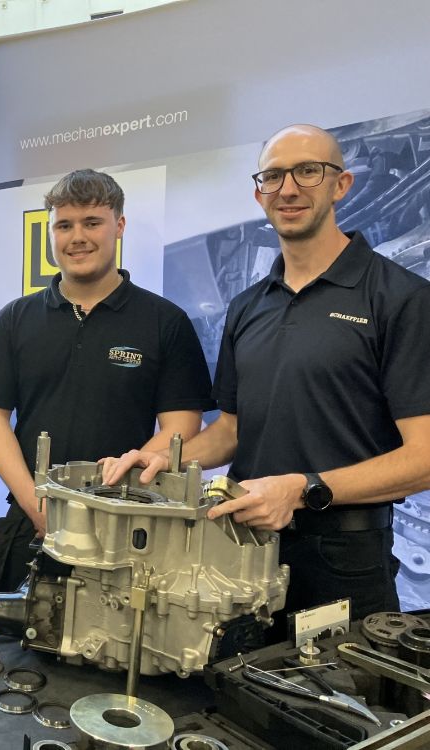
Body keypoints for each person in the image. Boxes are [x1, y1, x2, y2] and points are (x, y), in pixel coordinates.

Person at [103, 124, 430, 634]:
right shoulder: (247, 306)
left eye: (308, 171)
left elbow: (424, 458)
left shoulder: (399, 297)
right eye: (273, 176)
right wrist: (167, 456)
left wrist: (304, 489)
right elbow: (232, 430)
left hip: (345, 559)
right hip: (242, 552)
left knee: (338, 709)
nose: (289, 189)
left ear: (341, 184)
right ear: (259, 194)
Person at [0, 169, 215, 594]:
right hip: (32, 524)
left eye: (91, 222)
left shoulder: (164, 322)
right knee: (22, 654)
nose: (76, 236)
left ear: (119, 226)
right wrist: (35, 500)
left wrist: (113, 487)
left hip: (130, 528)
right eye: (64, 225)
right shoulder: (16, 319)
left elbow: (182, 427)